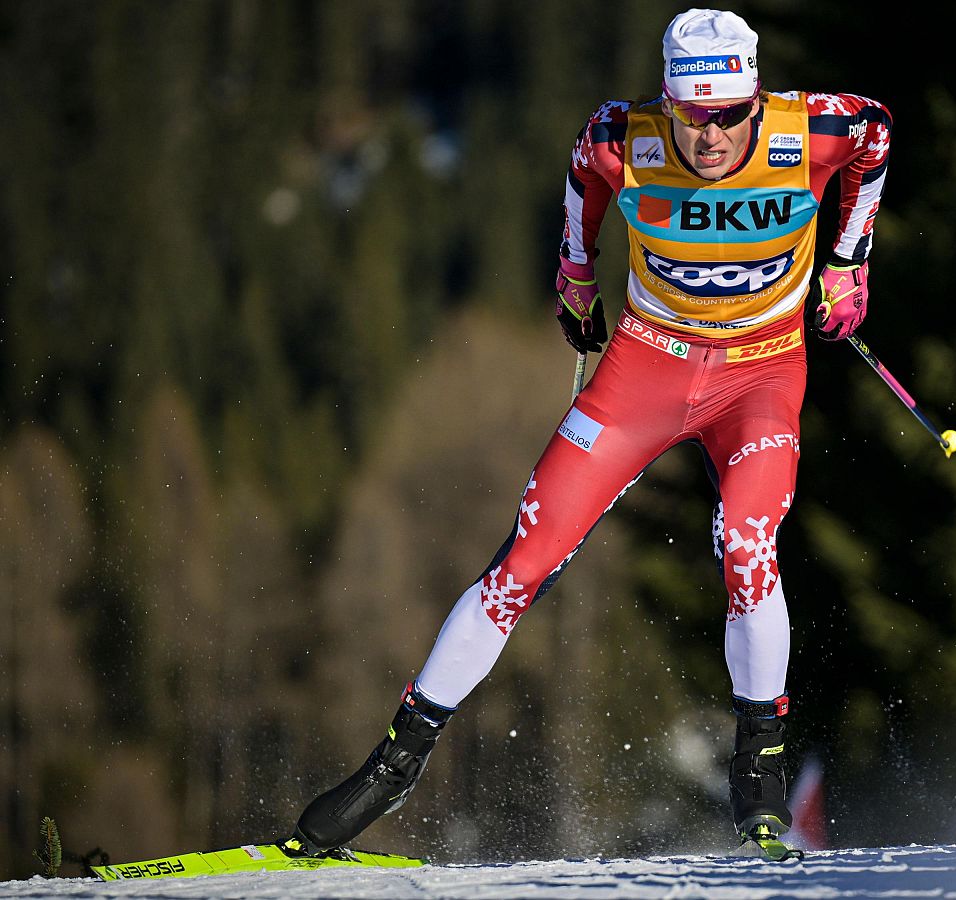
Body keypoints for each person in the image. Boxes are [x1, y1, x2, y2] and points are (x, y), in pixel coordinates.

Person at [287, 7, 893, 856]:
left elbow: (876, 133)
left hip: (758, 375)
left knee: (747, 544)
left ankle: (759, 768)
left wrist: (848, 260)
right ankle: (394, 766)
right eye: (691, 115)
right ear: (667, 102)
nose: (710, 136)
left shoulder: (813, 128)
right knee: (522, 562)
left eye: (728, 115)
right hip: (647, 369)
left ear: (755, 99)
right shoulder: (621, 137)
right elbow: (584, 177)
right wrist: (575, 277)